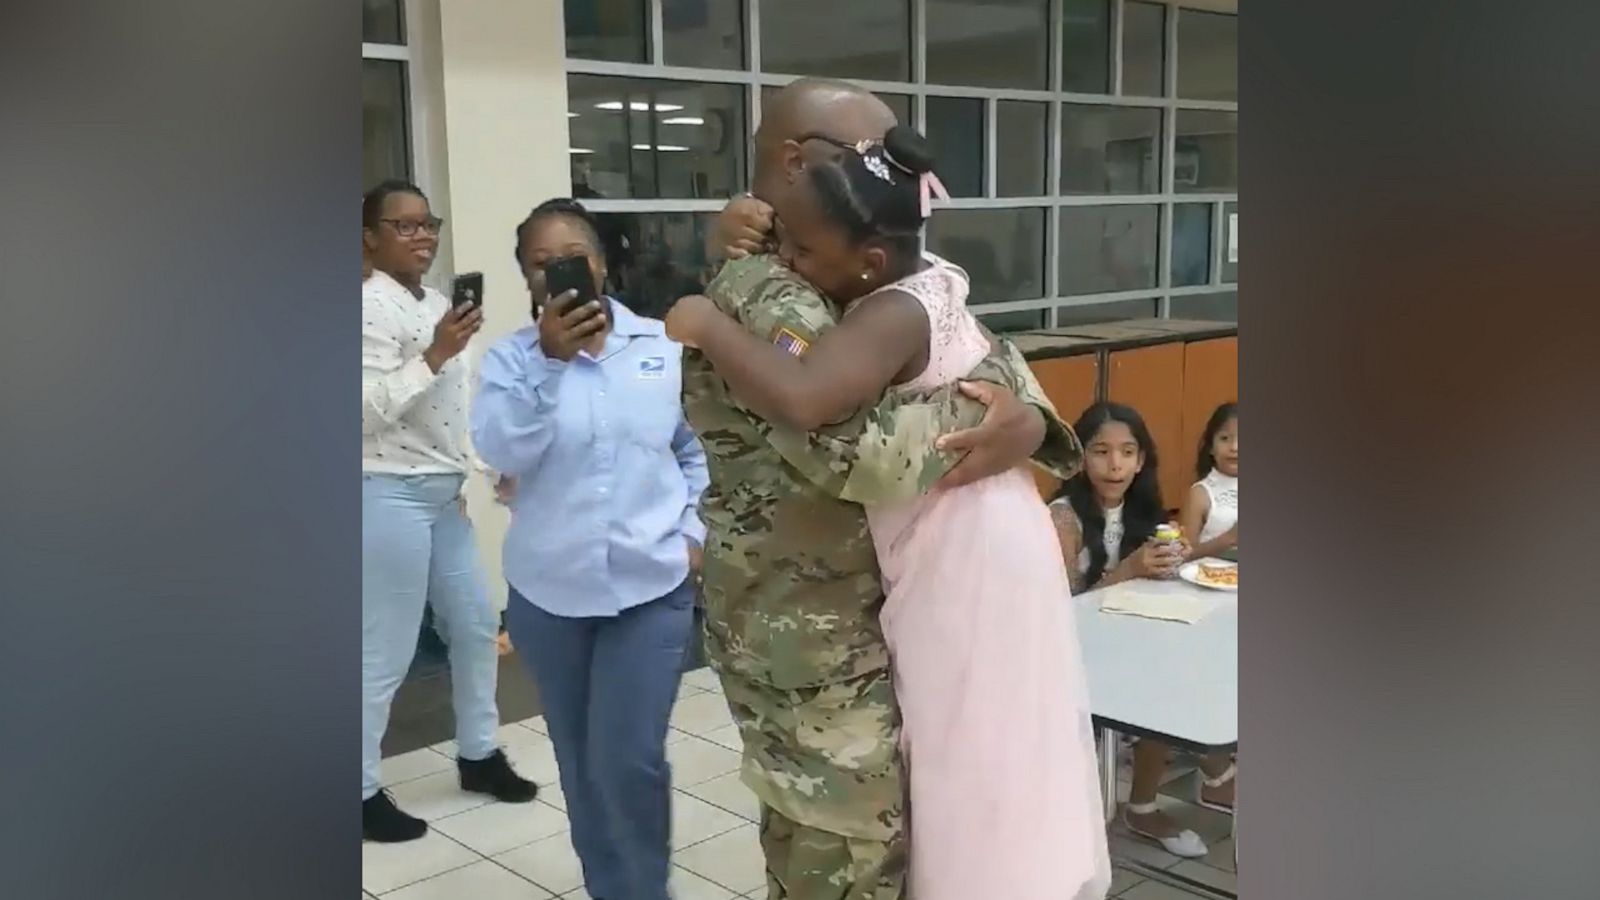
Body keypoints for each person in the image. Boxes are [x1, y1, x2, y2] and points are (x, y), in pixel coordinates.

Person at [666, 126, 1109, 899]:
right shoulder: (772, 289)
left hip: (938, 568)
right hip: (815, 646)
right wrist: (1016, 417)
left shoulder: (886, 284)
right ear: (798, 161)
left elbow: (970, 380)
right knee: (884, 826)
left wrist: (1027, 417)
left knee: (976, 755)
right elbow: (860, 448)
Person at [470, 198, 708, 900]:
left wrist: (693, 535)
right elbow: (500, 449)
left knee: (627, 759)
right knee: (579, 763)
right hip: (551, 598)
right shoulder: (512, 362)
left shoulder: (662, 350)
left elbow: (697, 454)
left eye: (572, 256)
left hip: (651, 589)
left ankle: (645, 891)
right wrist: (550, 360)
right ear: (527, 281)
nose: (558, 271)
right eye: (541, 264)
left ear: (602, 262)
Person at [360, 179, 536, 843]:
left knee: (471, 625)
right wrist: (435, 352)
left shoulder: (437, 304)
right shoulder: (360, 306)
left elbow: (454, 412)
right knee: (386, 649)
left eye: (426, 222)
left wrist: (487, 471)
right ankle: (359, 788)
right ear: (369, 237)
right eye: (402, 225)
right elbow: (362, 411)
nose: (422, 235)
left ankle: (479, 754)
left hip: (441, 492)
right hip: (385, 491)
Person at [1049, 403, 1221, 859]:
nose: (1115, 464)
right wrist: (1128, 569)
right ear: (1079, 458)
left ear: (1141, 460)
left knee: (1179, 665)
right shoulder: (1062, 519)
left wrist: (1170, 561)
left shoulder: (1143, 510)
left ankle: (1144, 803)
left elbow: (1145, 586)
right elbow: (1058, 612)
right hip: (1071, 654)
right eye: (1101, 451)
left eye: (1127, 452)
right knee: (1163, 676)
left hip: (1128, 638)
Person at [1181, 401, 1239, 562]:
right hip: (1207, 580)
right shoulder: (1200, 493)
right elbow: (1182, 555)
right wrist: (1229, 538)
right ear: (1211, 447)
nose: (1234, 447)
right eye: (1225, 438)